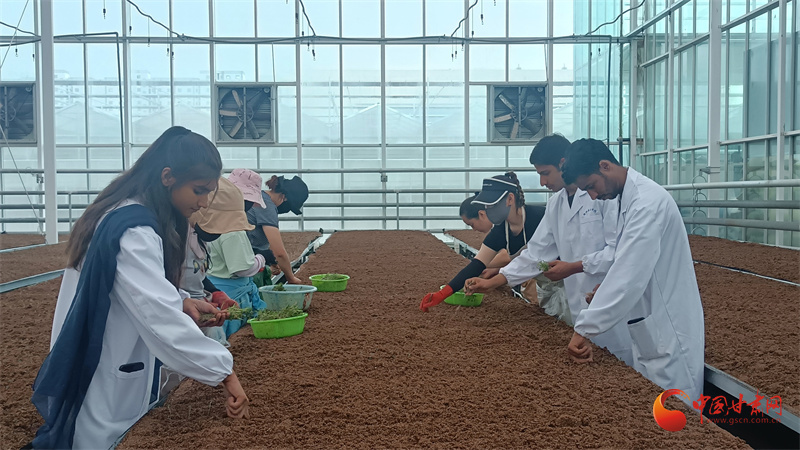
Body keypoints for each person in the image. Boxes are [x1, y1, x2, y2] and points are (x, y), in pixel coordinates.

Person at [31, 126, 249, 449]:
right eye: (199, 190)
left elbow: (130, 285)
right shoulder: (136, 231)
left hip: (101, 349)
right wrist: (225, 372)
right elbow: (159, 317)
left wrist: (182, 301)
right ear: (167, 177)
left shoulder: (121, 210)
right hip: (105, 359)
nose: (203, 203)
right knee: (98, 437)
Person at [465, 135, 632, 363]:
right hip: (578, 302)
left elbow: (619, 251)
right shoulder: (556, 204)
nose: (542, 182)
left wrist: (573, 267)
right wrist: (492, 282)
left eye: (545, 173)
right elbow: (536, 253)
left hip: (609, 298)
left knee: (621, 362)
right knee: (592, 364)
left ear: (563, 163)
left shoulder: (603, 196)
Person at [560, 138, 704, 401]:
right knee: (656, 406)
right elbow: (625, 259)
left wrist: (584, 329)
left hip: (668, 328)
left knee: (678, 410)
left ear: (605, 166)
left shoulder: (646, 204)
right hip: (649, 325)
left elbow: (629, 275)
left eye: (591, 186)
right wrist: (605, 289)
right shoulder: (625, 199)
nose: (593, 196)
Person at [420, 172, 547, 312]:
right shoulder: (500, 230)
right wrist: (442, 294)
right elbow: (477, 264)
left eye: (491, 205)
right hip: (546, 287)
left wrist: (492, 281)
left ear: (510, 199)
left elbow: (537, 259)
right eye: (486, 206)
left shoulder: (542, 217)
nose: (487, 210)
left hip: (564, 281)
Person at [183, 177, 255, 347]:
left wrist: (216, 293)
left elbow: (197, 273)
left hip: (202, 316)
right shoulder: (171, 240)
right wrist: (184, 302)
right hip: (180, 321)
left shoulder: (198, 238)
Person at [204, 170, 272, 338]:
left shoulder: (212, 219)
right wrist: (262, 258)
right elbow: (241, 268)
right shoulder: (232, 229)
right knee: (232, 338)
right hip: (231, 296)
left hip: (218, 290)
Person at [246, 174, 309, 285]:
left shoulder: (260, 197)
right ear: (284, 197)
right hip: (245, 263)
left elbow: (266, 242)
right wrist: (291, 278)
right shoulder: (266, 206)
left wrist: (272, 261)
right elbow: (279, 252)